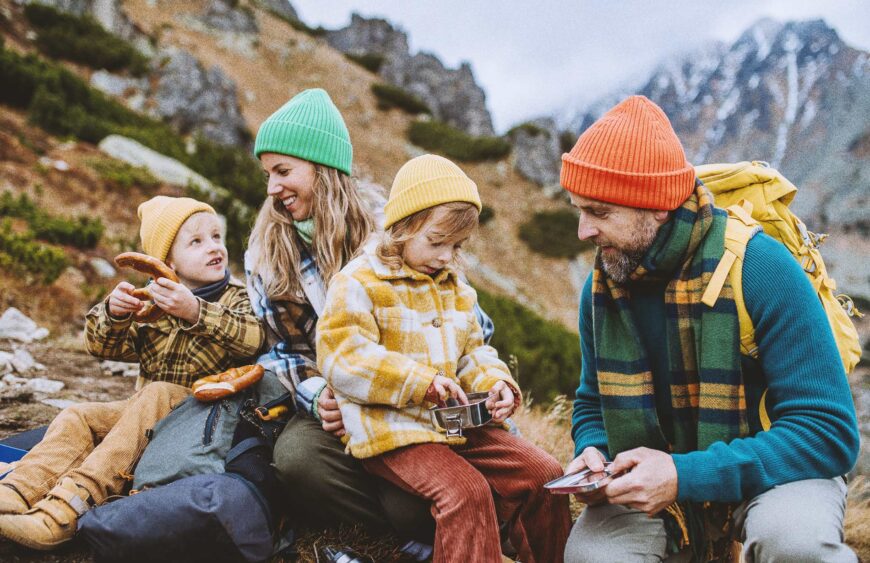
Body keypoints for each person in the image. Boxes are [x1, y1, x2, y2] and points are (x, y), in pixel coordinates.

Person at [560, 96, 860, 562]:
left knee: (794, 542)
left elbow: (828, 432)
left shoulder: (760, 268)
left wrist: (684, 475)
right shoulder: (602, 288)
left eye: (599, 212)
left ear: (657, 206)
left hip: (773, 469)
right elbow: (592, 402)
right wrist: (594, 452)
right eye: (578, 209)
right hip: (653, 475)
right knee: (591, 555)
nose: (583, 231)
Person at [316, 154, 572, 563]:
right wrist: (420, 382)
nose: (445, 256)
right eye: (436, 241)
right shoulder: (358, 281)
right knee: (465, 494)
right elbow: (342, 357)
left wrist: (496, 384)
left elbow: (474, 350)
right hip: (393, 430)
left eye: (457, 246)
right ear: (402, 226)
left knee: (545, 475)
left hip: (458, 425)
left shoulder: (455, 287)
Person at [0, 196, 264, 550]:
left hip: (206, 425)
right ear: (166, 263)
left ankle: (64, 511)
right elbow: (101, 348)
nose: (214, 247)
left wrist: (195, 311)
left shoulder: (238, 298)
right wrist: (114, 313)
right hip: (146, 422)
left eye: (217, 237)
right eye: (197, 242)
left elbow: (254, 338)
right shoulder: (152, 308)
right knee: (78, 415)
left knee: (158, 391)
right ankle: (17, 491)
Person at [245, 88, 435, 540]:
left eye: (283, 171)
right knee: (296, 462)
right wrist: (317, 397)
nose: (272, 188)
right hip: (333, 409)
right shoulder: (266, 250)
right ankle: (397, 538)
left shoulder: (393, 231)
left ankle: (414, 524)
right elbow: (279, 349)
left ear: (322, 167)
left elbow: (454, 319)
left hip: (407, 398)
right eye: (268, 174)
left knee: (410, 504)